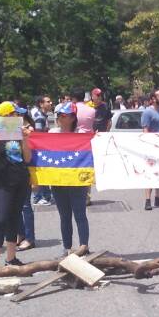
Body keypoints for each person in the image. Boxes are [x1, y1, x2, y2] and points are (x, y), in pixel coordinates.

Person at [0, 101, 32, 268]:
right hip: (2, 182)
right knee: (1, 220)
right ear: (5, 116)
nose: (17, 117)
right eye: (14, 114)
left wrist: (25, 139)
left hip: (20, 180)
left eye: (17, 114)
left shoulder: (20, 133)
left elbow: (28, 158)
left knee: (14, 219)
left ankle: (11, 258)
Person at [51, 101, 92, 255]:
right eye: (60, 115)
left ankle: (84, 246)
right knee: (64, 216)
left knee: (80, 214)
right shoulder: (52, 133)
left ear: (73, 117)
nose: (61, 118)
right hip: (58, 180)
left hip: (77, 181)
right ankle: (67, 248)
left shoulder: (82, 135)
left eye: (65, 115)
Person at [141, 90, 159, 211]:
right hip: (152, 147)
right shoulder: (147, 112)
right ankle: (147, 200)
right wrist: (149, 146)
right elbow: (145, 130)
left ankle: (158, 198)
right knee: (150, 173)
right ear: (153, 99)